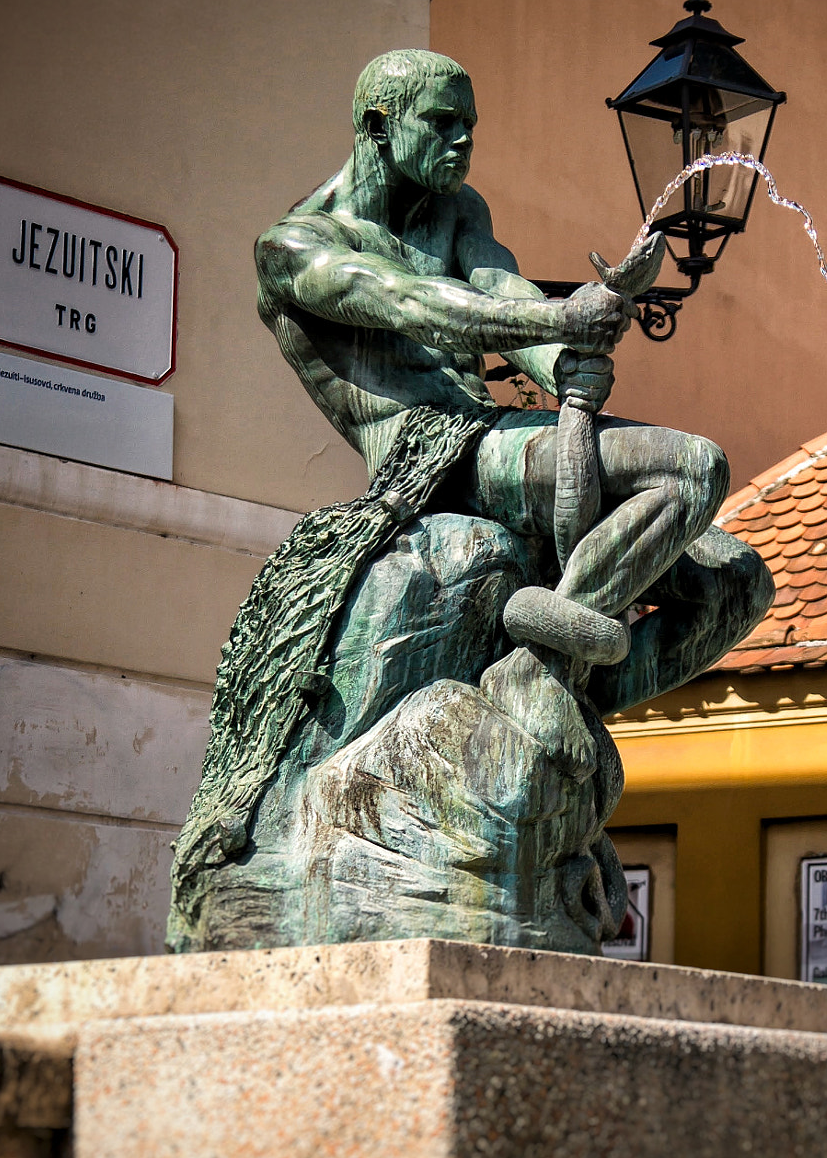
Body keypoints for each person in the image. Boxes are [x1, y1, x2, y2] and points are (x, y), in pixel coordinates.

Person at [254, 49, 770, 756]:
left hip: (501, 435)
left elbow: (501, 292)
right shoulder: (294, 246)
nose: (463, 140)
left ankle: (553, 694)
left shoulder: (458, 211)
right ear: (378, 126)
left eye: (469, 124)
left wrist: (567, 359)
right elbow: (414, 305)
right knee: (691, 468)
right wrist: (563, 321)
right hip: (432, 458)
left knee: (738, 584)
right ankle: (538, 669)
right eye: (441, 123)